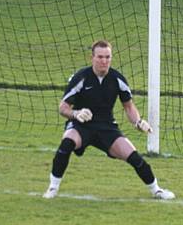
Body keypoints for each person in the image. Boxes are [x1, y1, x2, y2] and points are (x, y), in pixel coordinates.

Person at [43, 40, 175, 200]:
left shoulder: (117, 79)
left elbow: (128, 107)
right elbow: (63, 107)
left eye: (107, 57)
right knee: (67, 144)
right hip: (81, 126)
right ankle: (53, 188)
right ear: (92, 58)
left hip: (107, 128)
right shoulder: (81, 78)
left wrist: (138, 122)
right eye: (100, 57)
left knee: (134, 157)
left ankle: (157, 191)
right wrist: (76, 113)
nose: (104, 61)